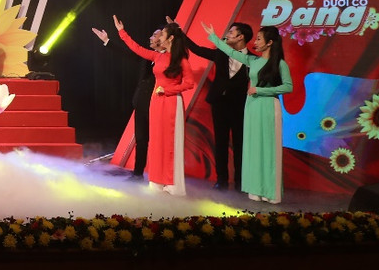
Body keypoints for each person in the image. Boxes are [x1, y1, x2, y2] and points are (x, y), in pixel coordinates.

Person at [203, 22, 293, 204]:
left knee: (268, 148)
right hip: (251, 107)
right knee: (253, 147)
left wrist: (261, 90)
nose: (255, 42)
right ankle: (255, 188)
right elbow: (230, 52)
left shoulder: (279, 64)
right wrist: (213, 37)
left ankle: (269, 190)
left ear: (269, 43)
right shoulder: (253, 61)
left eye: (259, 39)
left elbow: (288, 86)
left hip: (268, 106)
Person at [115, 16, 195, 195]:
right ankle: (157, 181)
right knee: (157, 141)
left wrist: (168, 89)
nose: (159, 38)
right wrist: (122, 32)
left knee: (170, 142)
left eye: (163, 35)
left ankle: (172, 183)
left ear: (170, 38)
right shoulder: (158, 56)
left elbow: (189, 83)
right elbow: (136, 48)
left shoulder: (181, 60)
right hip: (156, 102)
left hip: (171, 102)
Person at [179, 19, 252, 191]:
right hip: (219, 103)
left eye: (231, 32)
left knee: (240, 143)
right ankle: (222, 179)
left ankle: (241, 181)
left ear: (241, 37)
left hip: (239, 106)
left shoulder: (252, 59)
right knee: (220, 141)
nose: (227, 35)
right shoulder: (221, 53)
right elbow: (196, 49)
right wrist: (179, 32)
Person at [91, 23, 161, 179]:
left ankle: (158, 176)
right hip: (141, 103)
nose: (151, 38)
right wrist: (107, 41)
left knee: (157, 141)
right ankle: (138, 174)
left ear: (164, 39)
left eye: (155, 35)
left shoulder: (167, 58)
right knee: (141, 140)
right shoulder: (148, 56)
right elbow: (128, 54)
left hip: (157, 105)